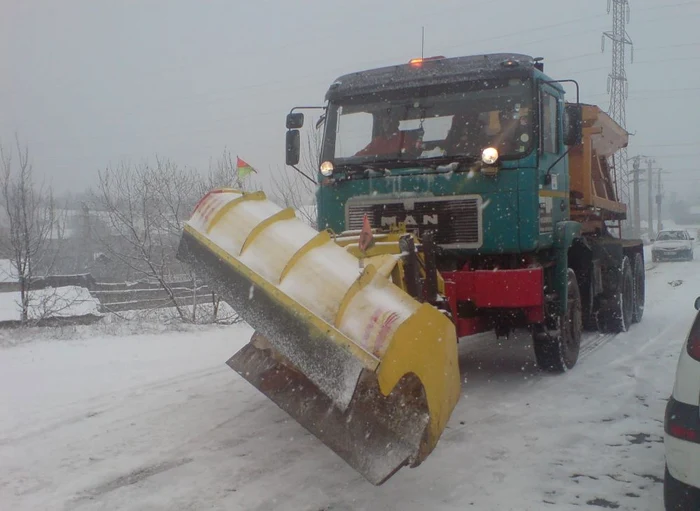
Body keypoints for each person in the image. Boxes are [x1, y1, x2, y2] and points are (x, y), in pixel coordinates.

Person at [355, 113, 422, 157]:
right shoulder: (378, 141)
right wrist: (350, 160)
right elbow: (363, 154)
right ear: (382, 125)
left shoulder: (404, 138)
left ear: (396, 124)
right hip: (381, 170)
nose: (388, 124)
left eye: (391, 121)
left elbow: (413, 152)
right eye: (386, 122)